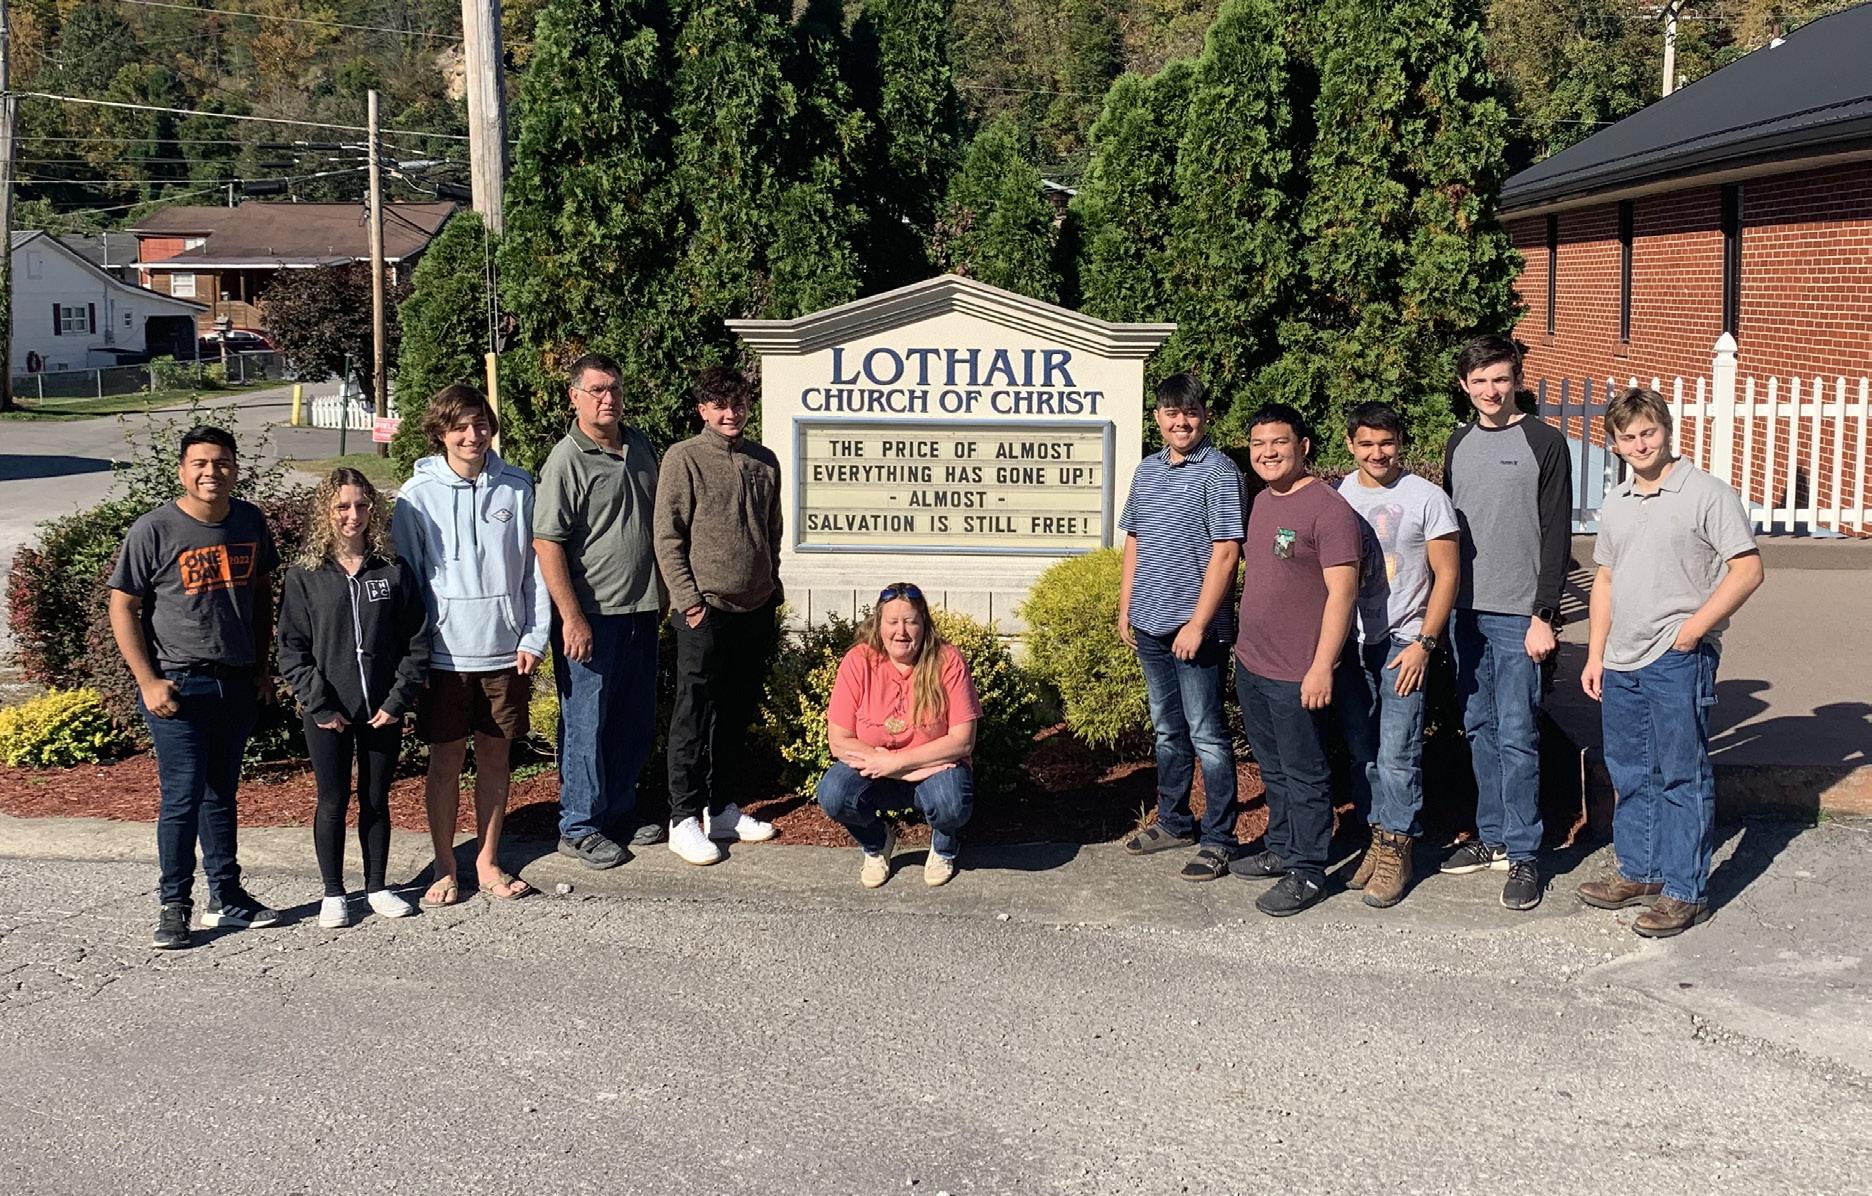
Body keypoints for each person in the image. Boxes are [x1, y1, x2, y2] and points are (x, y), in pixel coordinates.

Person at [1577, 388, 1762, 937]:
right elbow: (1605, 579)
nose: (1640, 445)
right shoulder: (1618, 501)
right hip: (1622, 659)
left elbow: (1747, 569)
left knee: (1682, 774)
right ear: (1614, 444)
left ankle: (1686, 891)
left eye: (1648, 433)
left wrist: (1695, 628)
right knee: (1631, 771)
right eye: (1628, 437)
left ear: (1667, 430)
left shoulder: (1706, 494)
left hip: (1677, 657)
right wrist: (1595, 653)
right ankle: (1641, 871)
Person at [107, 425, 281, 950]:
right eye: (200, 463)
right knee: (182, 797)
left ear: (235, 468)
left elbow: (260, 596)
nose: (212, 472)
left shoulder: (249, 520)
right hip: (178, 686)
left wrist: (261, 668)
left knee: (220, 794)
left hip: (236, 682)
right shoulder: (154, 529)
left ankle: (226, 896)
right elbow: (123, 605)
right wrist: (148, 680)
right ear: (183, 471)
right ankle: (173, 905)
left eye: (222, 462)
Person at [392, 384, 551, 905]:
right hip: (444, 656)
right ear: (441, 433)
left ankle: (486, 861)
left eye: (480, 424)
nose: (471, 435)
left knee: (495, 761)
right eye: (459, 426)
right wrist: (415, 654)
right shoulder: (415, 496)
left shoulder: (518, 487)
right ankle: (445, 865)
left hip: (505, 651)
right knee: (444, 763)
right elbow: (409, 582)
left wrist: (534, 636)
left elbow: (534, 573)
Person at [1440, 334, 1572, 911]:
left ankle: (1523, 853)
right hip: (1464, 612)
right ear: (1464, 386)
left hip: (1519, 615)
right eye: (1480, 381)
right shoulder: (1459, 443)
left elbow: (1557, 535)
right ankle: (1491, 835)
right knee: (1479, 727)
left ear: (1517, 380)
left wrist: (1544, 615)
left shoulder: (1544, 442)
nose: (1491, 390)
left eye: (1500, 379)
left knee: (1518, 735)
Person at [276, 468, 431, 927]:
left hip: (383, 710)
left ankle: (377, 886)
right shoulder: (306, 576)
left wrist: (397, 700)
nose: (353, 515)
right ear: (326, 511)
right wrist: (319, 704)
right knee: (332, 800)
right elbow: (292, 648)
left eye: (362, 505)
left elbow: (416, 640)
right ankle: (333, 893)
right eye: (342, 506)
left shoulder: (392, 569)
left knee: (376, 798)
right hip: (328, 713)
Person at [1228, 404, 1362, 917]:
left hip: (1298, 671)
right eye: (1258, 444)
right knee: (1274, 768)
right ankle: (1282, 848)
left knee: (1305, 774)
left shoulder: (1328, 510)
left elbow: (1343, 593)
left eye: (1279, 442)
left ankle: (1308, 870)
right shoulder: (1261, 500)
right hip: (1254, 664)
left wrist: (1322, 665)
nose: (1267, 453)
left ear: (1303, 446)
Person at [534, 353, 666, 869]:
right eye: (596, 390)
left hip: (641, 610)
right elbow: (547, 542)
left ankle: (617, 810)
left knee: (631, 720)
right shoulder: (566, 460)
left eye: (614, 388)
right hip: (592, 617)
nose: (608, 398)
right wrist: (572, 617)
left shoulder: (639, 445)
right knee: (586, 725)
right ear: (575, 397)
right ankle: (579, 825)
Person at [1116, 373, 1245, 882]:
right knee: (1168, 729)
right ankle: (1174, 821)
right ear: (1158, 419)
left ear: (1205, 416)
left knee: (1207, 734)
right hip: (1149, 621)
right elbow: (1135, 538)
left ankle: (1220, 839)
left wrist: (1198, 623)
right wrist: (1126, 605)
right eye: (1172, 413)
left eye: (1190, 412)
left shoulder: (1220, 472)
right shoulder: (1147, 469)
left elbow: (1227, 551)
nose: (1181, 422)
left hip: (1196, 630)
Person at [1332, 402, 1461, 909]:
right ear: (1350, 445)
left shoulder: (1427, 498)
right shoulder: (1339, 496)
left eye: (1386, 442)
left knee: (1398, 753)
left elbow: (1447, 575)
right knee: (1363, 752)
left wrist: (1425, 644)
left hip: (1405, 642)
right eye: (1366, 443)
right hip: (1353, 642)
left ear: (1400, 442)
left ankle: (1398, 848)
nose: (1377, 452)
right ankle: (1376, 837)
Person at [653, 365, 782, 865]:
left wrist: (771, 585)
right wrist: (689, 602)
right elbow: (668, 536)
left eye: (739, 403)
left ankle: (722, 808)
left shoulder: (763, 461)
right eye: (720, 405)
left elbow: (771, 531)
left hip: (755, 608)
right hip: (703, 610)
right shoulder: (683, 458)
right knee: (693, 713)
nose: (731, 413)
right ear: (703, 409)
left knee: (735, 712)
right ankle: (683, 817)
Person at [816, 583, 982, 888]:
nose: (901, 632)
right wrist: (892, 765)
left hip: (931, 773)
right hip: (880, 769)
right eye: (892, 622)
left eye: (910, 622)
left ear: (924, 624)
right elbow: (839, 741)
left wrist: (897, 762)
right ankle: (876, 843)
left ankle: (944, 847)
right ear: (878, 625)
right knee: (834, 794)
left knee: (951, 803)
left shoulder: (948, 660)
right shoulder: (858, 660)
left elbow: (962, 740)